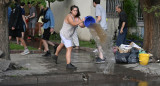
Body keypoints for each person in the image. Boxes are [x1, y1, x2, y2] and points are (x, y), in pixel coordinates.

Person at [53, 5, 85, 69]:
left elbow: (81, 26)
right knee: (69, 48)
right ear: (71, 11)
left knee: (62, 44)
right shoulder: (69, 16)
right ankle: (68, 64)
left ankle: (55, 55)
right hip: (64, 34)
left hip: (69, 35)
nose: (76, 12)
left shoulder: (77, 18)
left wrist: (87, 23)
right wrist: (81, 20)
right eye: (74, 10)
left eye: (77, 10)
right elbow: (73, 23)